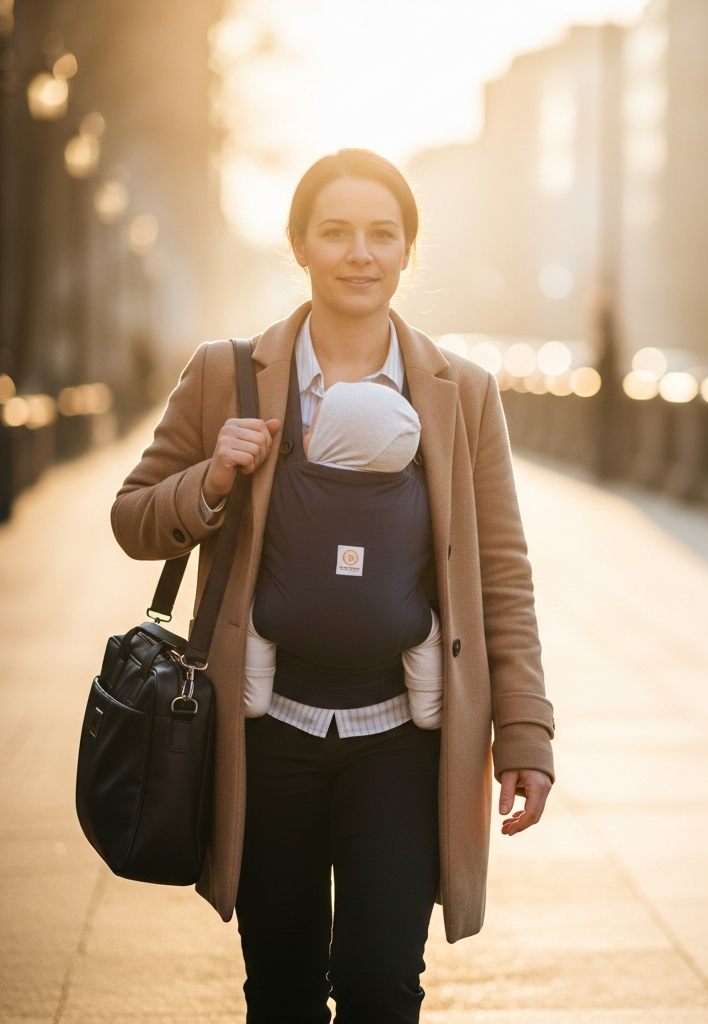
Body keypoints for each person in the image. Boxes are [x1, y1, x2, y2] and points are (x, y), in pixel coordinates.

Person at [111, 148, 555, 1024]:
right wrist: (211, 478)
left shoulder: (461, 394)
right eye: (337, 233)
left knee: (382, 985)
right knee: (279, 991)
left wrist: (527, 733)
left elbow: (502, 574)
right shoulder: (225, 374)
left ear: (407, 253)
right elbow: (133, 519)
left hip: (403, 742)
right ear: (301, 247)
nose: (361, 254)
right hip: (263, 736)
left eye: (382, 235)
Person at [243, 379, 444, 730]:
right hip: (395, 620)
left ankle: (253, 698)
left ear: (337, 437)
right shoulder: (418, 497)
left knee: (253, 626)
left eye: (316, 426)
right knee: (429, 633)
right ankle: (429, 709)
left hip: (282, 614)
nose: (306, 430)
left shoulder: (286, 483)